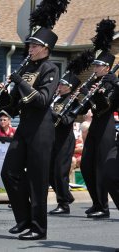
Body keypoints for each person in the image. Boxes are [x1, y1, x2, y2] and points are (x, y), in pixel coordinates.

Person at [0, 27, 59, 240]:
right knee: (9, 171)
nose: (30, 49)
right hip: (24, 126)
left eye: (34, 46)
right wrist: (5, 94)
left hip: (41, 129)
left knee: (37, 180)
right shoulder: (26, 69)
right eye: (30, 45)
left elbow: (43, 100)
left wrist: (20, 82)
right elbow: (14, 107)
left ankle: (38, 228)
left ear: (45, 48)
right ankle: (24, 218)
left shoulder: (51, 68)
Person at [77, 49, 118, 219]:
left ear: (107, 68)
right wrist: (84, 93)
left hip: (106, 127)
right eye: (94, 65)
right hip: (94, 127)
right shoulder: (97, 81)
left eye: (98, 66)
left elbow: (105, 106)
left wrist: (95, 94)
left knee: (101, 167)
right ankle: (96, 202)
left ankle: (104, 206)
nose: (94, 68)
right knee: (86, 165)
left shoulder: (111, 82)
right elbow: (86, 108)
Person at [48, 72, 81, 215]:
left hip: (65, 140)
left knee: (60, 172)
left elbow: (67, 120)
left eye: (62, 84)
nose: (59, 86)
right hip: (52, 138)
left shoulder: (73, 101)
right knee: (50, 172)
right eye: (59, 84)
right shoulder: (56, 99)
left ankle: (63, 204)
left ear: (69, 87)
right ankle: (66, 196)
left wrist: (50, 111)